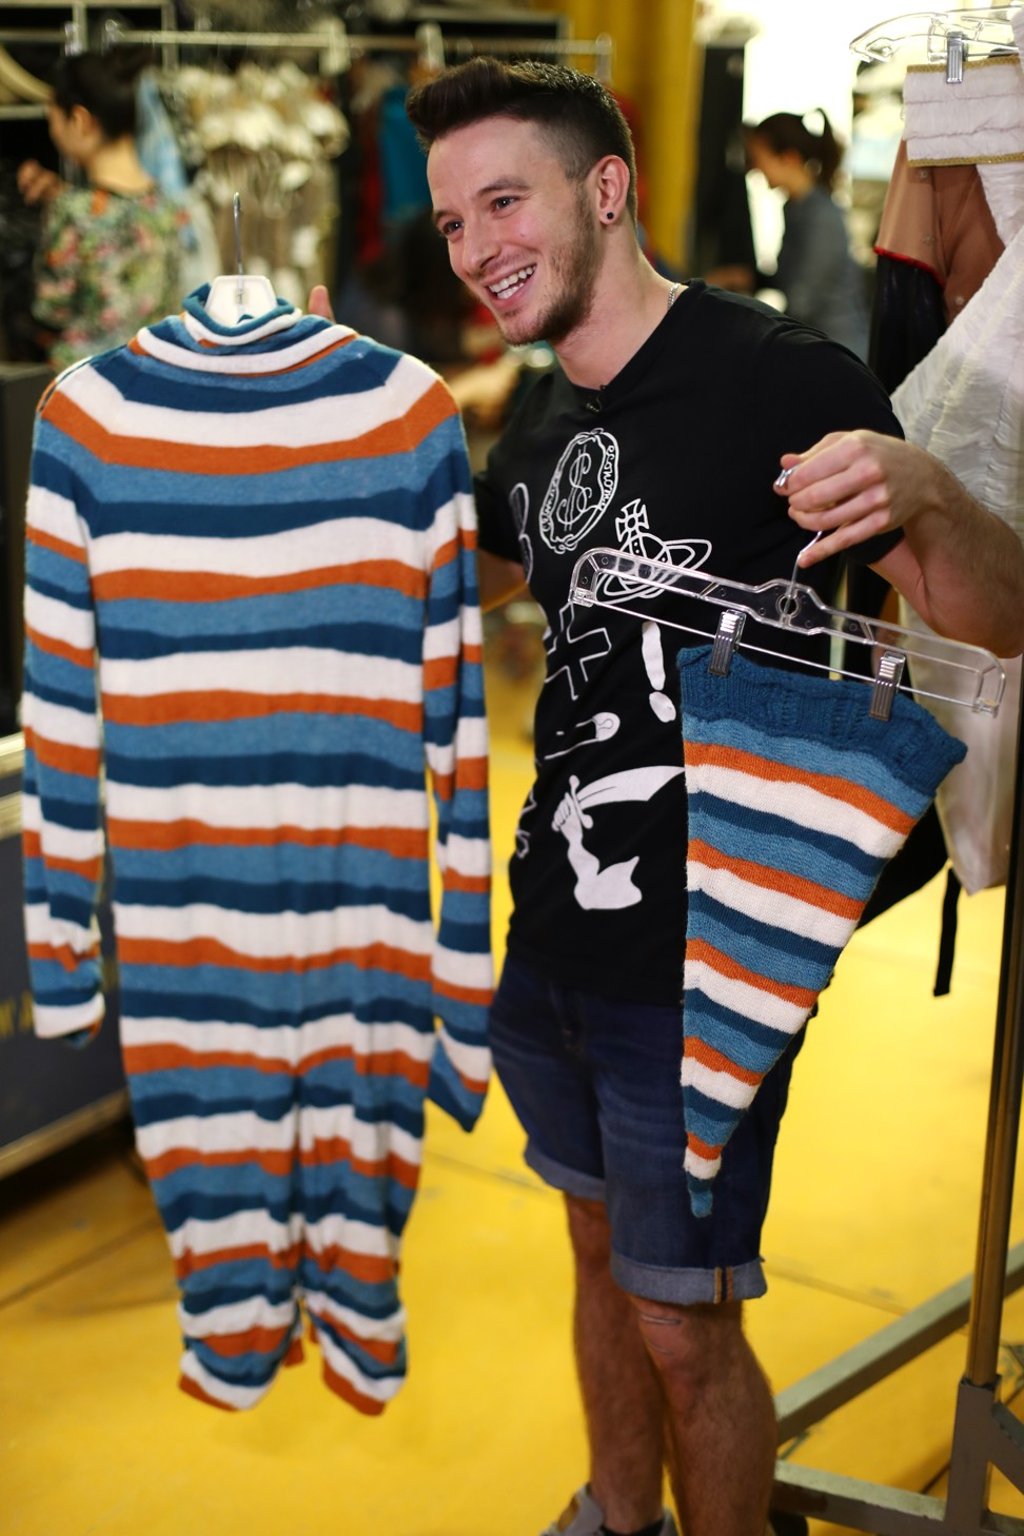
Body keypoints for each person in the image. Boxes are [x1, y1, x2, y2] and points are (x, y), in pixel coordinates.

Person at [311, 57, 1024, 1536]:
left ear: (607, 189)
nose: (475, 246)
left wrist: (932, 494)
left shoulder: (783, 379)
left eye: (504, 200)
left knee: (683, 1321)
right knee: (595, 1261)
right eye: (450, 221)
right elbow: (491, 573)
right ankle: (615, 1517)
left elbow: (997, 621)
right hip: (556, 928)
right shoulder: (540, 419)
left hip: (710, 965)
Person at [17, 48, 185, 372]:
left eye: (53, 120)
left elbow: (51, 309)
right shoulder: (166, 206)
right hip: (154, 375)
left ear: (79, 120)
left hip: (87, 385)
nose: (53, 134)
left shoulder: (73, 212)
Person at [710, 110, 870, 361]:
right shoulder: (796, 208)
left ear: (789, 158)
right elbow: (792, 280)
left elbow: (802, 301)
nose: (754, 168)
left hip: (839, 355)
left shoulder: (821, 216)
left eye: (758, 158)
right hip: (814, 345)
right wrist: (751, 278)